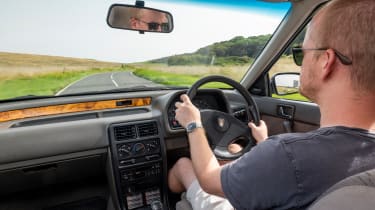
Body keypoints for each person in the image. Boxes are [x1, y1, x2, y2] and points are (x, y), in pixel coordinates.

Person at [168, 0, 375, 209]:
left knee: (184, 166)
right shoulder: (286, 157)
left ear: (325, 62)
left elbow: (209, 179)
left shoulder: (287, 156)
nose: (301, 63)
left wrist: (193, 124)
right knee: (231, 151)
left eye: (301, 54)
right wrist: (265, 143)